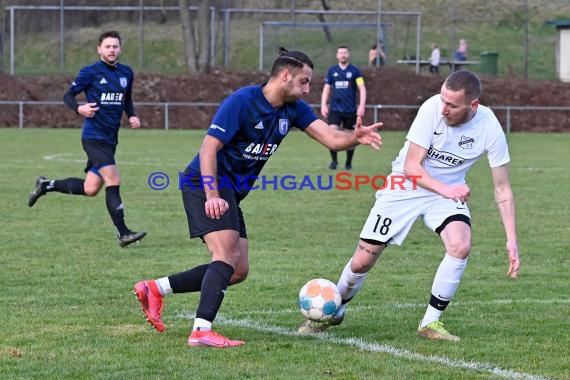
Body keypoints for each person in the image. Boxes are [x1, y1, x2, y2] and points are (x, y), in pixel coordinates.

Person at [133, 48, 382, 348]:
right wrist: (212, 194)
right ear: (285, 75)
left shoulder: (294, 109)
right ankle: (201, 331)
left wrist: (355, 137)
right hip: (205, 182)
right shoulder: (242, 101)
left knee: (237, 270)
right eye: (304, 81)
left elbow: (330, 137)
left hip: (231, 192)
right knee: (224, 255)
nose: (307, 89)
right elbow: (208, 148)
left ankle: (154, 289)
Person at [298, 70, 520, 342]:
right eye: (443, 100)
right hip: (404, 187)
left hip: (444, 196)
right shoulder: (431, 109)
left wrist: (511, 239)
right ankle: (335, 308)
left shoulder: (489, 127)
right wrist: (448, 190)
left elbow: (503, 188)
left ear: (473, 105)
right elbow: (411, 167)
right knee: (363, 259)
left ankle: (431, 322)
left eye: (452, 105)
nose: (444, 109)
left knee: (460, 245)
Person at [27, 30, 146, 248]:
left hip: (110, 139)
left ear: (120, 49)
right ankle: (123, 233)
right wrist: (79, 108)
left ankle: (46, 185)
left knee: (91, 188)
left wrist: (133, 115)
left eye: (115, 46)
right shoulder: (90, 72)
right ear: (99, 49)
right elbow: (67, 96)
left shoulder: (126, 73)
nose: (112, 50)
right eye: (107, 46)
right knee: (114, 180)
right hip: (93, 137)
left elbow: (126, 99)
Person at [322, 44, 367, 170]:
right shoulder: (332, 71)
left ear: (348, 55)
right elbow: (326, 88)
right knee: (332, 134)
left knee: (350, 137)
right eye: (340, 53)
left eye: (345, 53)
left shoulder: (355, 71)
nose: (343, 55)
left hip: (350, 110)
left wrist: (361, 106)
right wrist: (323, 105)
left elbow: (362, 89)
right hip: (335, 109)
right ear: (337, 55)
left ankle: (348, 163)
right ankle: (334, 162)